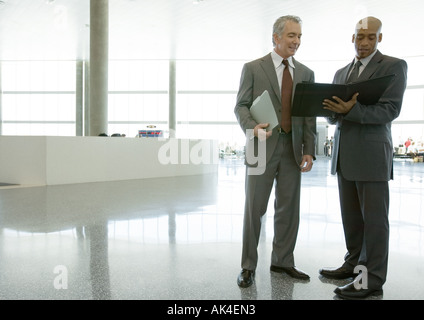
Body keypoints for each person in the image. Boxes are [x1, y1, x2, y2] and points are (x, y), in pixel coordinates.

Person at [321, 16, 408, 299]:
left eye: (371, 37)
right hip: (344, 156)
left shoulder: (394, 66)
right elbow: (336, 116)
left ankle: (370, 281)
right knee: (352, 219)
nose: (365, 42)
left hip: (372, 156)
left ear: (379, 38)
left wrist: (350, 110)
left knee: (374, 222)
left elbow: (389, 111)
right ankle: (354, 264)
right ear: (352, 38)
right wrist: (332, 111)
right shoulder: (341, 72)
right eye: (360, 37)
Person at [234, 15, 316, 288]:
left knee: (288, 210)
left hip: (293, 149)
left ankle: (283, 261)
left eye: (300, 36)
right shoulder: (253, 68)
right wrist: (251, 127)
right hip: (261, 146)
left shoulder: (305, 73)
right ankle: (247, 266)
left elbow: (308, 116)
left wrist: (309, 150)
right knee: (254, 209)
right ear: (276, 37)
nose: (296, 41)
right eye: (291, 36)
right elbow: (241, 106)